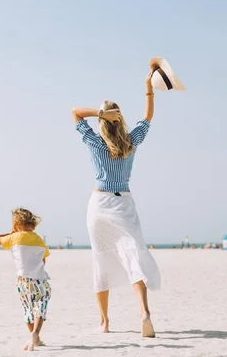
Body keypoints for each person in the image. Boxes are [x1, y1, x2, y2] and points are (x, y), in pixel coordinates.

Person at [71, 64, 162, 338]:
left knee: (101, 261)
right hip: (124, 205)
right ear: (120, 118)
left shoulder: (97, 143)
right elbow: (147, 117)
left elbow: (75, 113)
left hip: (99, 206)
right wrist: (149, 87)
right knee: (133, 255)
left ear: (102, 121)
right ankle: (144, 311)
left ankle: (104, 322)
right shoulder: (131, 141)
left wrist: (100, 113)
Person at [0, 208, 51, 351]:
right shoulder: (38, 239)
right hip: (40, 280)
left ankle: (33, 336)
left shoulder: (14, 238)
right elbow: (43, 260)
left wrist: (10, 233)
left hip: (22, 282)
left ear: (16, 224)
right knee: (41, 306)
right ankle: (35, 334)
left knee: (28, 309)